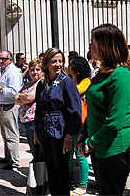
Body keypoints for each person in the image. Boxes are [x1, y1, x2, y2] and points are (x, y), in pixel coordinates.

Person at [76, 24, 130, 195]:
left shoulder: (120, 76)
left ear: (104, 46)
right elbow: (93, 110)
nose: (89, 47)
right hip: (99, 146)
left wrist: (90, 144)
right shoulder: (101, 74)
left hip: (113, 149)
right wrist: (83, 136)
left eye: (92, 43)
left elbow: (115, 121)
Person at [34, 47, 82, 195]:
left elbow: (74, 110)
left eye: (60, 61)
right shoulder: (42, 84)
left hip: (60, 131)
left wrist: (69, 135)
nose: (58, 65)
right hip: (45, 130)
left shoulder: (66, 82)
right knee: (50, 167)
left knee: (61, 169)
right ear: (46, 64)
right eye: (54, 61)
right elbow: (39, 107)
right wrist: (37, 129)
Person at [0, 50, 22, 170]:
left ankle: (14, 161)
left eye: (3, 59)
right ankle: (8, 157)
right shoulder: (4, 71)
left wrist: (0, 89)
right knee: (5, 134)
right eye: (0, 59)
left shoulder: (13, 72)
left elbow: (14, 91)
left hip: (10, 106)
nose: (0, 61)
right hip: (3, 105)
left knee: (12, 135)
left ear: (10, 59)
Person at [67, 56, 91, 196]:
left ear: (76, 69)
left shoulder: (86, 82)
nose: (67, 66)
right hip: (70, 122)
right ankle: (69, 178)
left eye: (70, 65)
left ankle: (83, 184)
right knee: (69, 152)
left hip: (81, 123)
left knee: (81, 154)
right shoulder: (70, 80)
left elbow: (74, 93)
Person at [14, 59, 42, 158]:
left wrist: (22, 96)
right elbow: (16, 99)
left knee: (37, 149)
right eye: (32, 69)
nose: (35, 72)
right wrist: (23, 97)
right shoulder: (28, 84)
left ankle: (41, 171)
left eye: (38, 69)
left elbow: (30, 97)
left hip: (33, 121)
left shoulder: (40, 83)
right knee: (33, 148)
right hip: (25, 120)